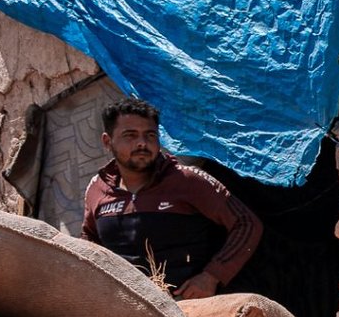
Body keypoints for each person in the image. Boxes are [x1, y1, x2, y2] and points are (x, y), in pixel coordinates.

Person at [82, 100, 263, 299]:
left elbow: (246, 223)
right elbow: (89, 240)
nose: (142, 143)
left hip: (188, 308)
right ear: (107, 142)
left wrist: (212, 276)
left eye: (150, 135)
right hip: (123, 309)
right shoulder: (97, 189)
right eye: (130, 135)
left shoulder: (187, 180)